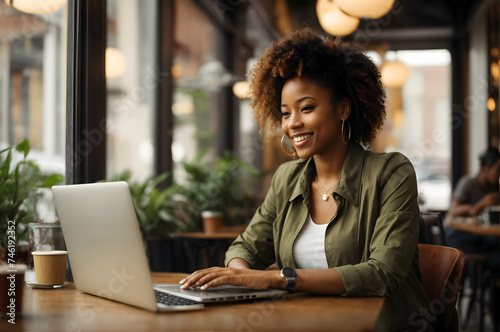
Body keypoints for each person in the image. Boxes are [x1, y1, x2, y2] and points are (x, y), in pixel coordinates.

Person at [180, 28, 432, 331]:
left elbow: (383, 274)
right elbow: (245, 247)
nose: (292, 123)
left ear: (343, 109)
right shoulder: (287, 178)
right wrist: (239, 275)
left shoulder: (391, 172)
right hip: (309, 321)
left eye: (307, 108)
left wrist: (277, 278)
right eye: (285, 113)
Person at [446, 146, 500, 267]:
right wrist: (480, 204)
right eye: (498, 170)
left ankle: (488, 282)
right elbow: (453, 211)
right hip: (458, 233)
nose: (499, 175)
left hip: (482, 236)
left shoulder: (495, 188)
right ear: (486, 168)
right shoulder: (468, 183)